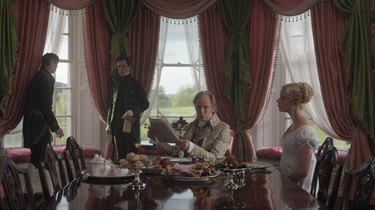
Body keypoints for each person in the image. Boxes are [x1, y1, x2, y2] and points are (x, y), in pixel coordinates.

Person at [149, 91, 231, 163]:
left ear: (213, 109)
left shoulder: (223, 128)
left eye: (205, 107)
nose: (201, 111)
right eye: (198, 107)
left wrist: (191, 147)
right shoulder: (192, 125)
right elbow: (177, 151)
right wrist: (156, 139)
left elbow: (215, 158)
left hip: (209, 175)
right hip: (186, 171)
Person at [23, 53, 64, 168]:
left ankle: (33, 184)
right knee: (40, 158)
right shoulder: (44, 78)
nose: (56, 66)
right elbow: (45, 107)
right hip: (37, 124)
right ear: (47, 64)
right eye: (54, 63)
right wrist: (56, 128)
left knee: (39, 157)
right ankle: (37, 185)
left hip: (37, 123)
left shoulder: (42, 76)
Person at [277, 82, 319, 192]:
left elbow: (302, 171)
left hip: (299, 191)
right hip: (289, 185)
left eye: (283, 98)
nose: (278, 100)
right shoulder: (294, 126)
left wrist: (280, 183)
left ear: (295, 102)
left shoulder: (305, 131)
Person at [106, 55, 149, 160]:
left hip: (130, 125)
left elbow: (145, 104)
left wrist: (133, 111)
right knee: (120, 157)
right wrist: (108, 123)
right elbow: (111, 105)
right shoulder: (115, 84)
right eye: (119, 66)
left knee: (131, 157)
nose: (121, 69)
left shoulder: (136, 84)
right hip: (116, 125)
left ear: (129, 67)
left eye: (123, 66)